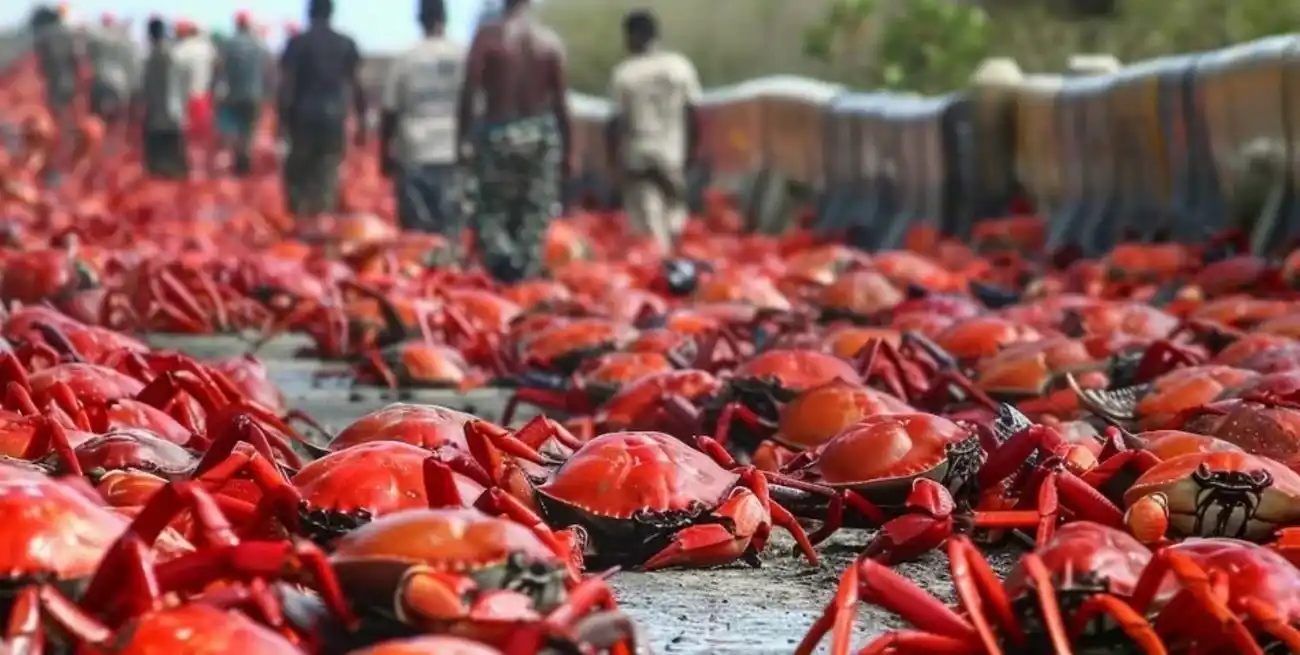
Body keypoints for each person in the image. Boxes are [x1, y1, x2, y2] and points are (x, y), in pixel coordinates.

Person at [456, 0, 572, 283]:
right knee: (534, 211)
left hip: (496, 134)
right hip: (539, 137)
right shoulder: (550, 42)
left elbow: (469, 93)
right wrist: (569, 152)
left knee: (491, 210)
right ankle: (525, 276)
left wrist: (461, 141)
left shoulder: (487, 38)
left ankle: (500, 272)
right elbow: (561, 105)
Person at [606, 10, 701, 252]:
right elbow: (695, 115)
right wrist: (693, 153)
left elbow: (614, 125)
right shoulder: (680, 68)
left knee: (648, 231)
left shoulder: (625, 74)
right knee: (674, 219)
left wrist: (612, 164)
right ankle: (678, 275)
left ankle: (663, 278)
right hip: (672, 157)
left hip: (638, 159)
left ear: (633, 36)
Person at [381, 0, 466, 238]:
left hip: (414, 151)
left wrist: (384, 154)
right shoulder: (462, 56)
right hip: (453, 151)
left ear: (419, 19)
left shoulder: (407, 58)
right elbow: (476, 104)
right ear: (445, 19)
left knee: (416, 232)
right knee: (450, 226)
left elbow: (389, 110)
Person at [278, 0, 367, 218]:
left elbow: (286, 86)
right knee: (327, 168)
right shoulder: (345, 43)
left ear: (309, 13)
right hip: (334, 115)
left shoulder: (297, 43)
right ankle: (322, 216)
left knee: (298, 169)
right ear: (331, 13)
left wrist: (281, 121)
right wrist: (362, 121)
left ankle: (299, 217)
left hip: (303, 115)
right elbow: (357, 85)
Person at [215, 11, 270, 175]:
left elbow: (221, 69)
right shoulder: (259, 45)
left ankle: (238, 162)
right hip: (254, 95)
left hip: (234, 94)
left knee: (236, 130)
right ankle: (245, 162)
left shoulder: (228, 44)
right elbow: (266, 71)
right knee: (249, 131)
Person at [133, 17, 188, 179]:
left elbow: (144, 86)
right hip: (173, 112)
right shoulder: (173, 53)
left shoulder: (153, 56)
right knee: (173, 155)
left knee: (158, 159)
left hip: (159, 113)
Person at [31, 4, 82, 174]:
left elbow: (40, 63)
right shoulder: (71, 34)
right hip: (69, 83)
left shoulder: (45, 36)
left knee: (55, 120)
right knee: (68, 122)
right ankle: (66, 162)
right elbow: (77, 59)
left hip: (53, 83)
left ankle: (53, 162)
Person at [172, 20, 219, 173]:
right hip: (204, 97)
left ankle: (191, 168)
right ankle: (203, 168)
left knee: (188, 137)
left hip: (187, 98)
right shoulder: (208, 50)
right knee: (204, 138)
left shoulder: (179, 51)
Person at [85, 13, 139, 140]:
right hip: (120, 85)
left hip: (100, 81)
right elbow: (132, 64)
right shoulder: (125, 40)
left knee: (97, 117)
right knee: (118, 120)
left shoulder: (97, 38)